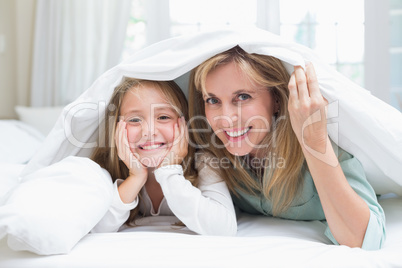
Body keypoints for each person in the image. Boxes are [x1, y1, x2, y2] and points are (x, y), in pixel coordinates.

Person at [188, 46, 386, 250]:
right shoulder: (212, 156)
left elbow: (364, 240)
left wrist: (313, 143)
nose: (226, 118)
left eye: (243, 97)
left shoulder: (327, 145)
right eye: (212, 100)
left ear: (276, 99)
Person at [90, 77, 236, 235]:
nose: (149, 131)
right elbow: (96, 228)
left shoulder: (203, 162)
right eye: (134, 120)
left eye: (163, 117)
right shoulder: (106, 167)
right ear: (116, 129)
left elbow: (224, 230)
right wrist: (136, 177)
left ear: (184, 124)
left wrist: (169, 171)